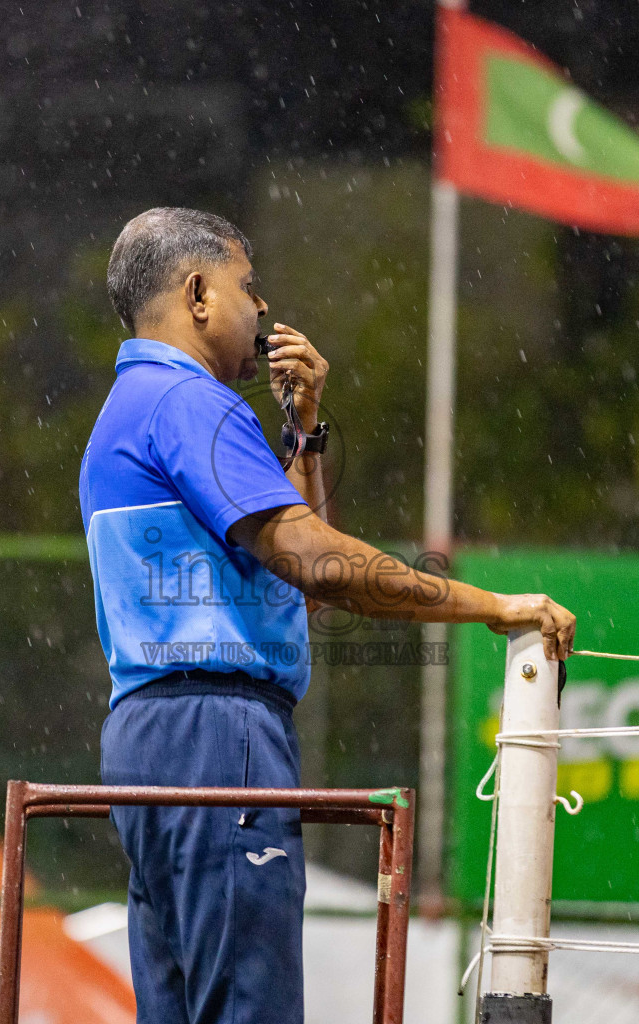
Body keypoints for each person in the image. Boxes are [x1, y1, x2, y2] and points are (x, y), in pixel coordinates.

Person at [79, 207, 575, 1024]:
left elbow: (293, 587)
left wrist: (304, 431)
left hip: (145, 734)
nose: (263, 310)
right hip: (219, 733)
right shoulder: (192, 405)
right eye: (248, 286)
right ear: (197, 293)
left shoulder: (128, 410)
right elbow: (320, 565)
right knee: (252, 1009)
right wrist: (492, 606)